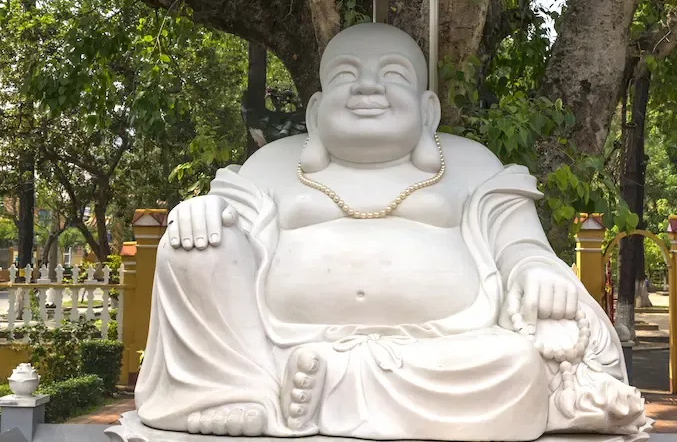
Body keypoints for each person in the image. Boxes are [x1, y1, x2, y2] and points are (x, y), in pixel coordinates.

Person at [135, 24, 648, 439]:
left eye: (393, 74)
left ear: (428, 110)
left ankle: (320, 384)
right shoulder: (272, 165)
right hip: (274, 344)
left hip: (443, 350)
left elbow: (519, 243)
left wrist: (536, 269)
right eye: (345, 75)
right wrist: (199, 211)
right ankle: (235, 390)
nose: (367, 87)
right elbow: (222, 237)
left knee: (513, 365)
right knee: (193, 243)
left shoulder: (470, 165)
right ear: (315, 111)